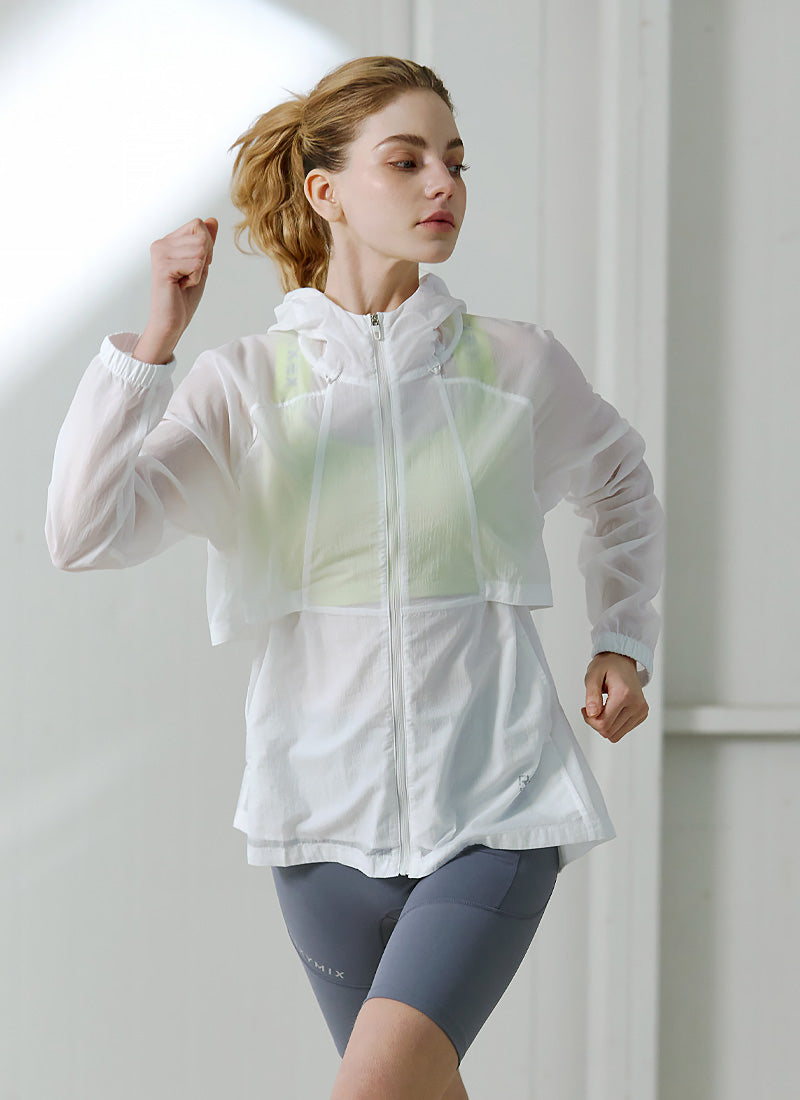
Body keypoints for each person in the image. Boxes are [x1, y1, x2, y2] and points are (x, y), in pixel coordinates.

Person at [45, 55, 665, 1100]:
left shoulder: (512, 366)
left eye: (455, 161)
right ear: (325, 191)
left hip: (496, 806)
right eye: (407, 160)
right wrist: (153, 344)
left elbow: (620, 481)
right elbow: (82, 532)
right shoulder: (245, 386)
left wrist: (622, 637)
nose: (443, 184)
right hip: (316, 826)